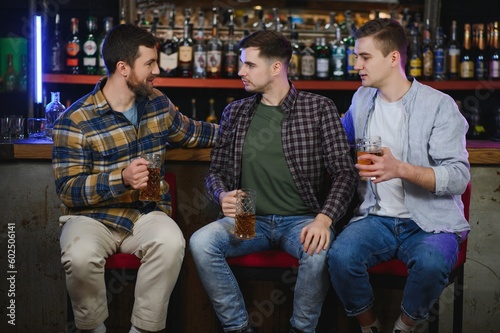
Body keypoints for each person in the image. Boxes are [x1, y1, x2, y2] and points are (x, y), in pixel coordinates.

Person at [52, 24, 218, 333]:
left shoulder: (157, 103)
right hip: (92, 218)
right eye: (150, 64)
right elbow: (68, 190)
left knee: (170, 241)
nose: (158, 70)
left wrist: (242, 129)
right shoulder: (75, 120)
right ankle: (92, 328)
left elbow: (195, 133)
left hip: (146, 214)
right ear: (123, 67)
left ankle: (143, 329)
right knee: (79, 254)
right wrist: (121, 179)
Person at [189, 30, 357, 333]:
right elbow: (216, 171)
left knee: (318, 254)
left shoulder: (318, 108)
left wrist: (324, 219)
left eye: (249, 65)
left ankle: (301, 329)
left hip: (303, 219)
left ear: (276, 67)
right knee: (201, 243)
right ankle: (238, 327)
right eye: (242, 64)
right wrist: (221, 194)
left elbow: (345, 172)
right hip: (247, 218)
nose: (240, 72)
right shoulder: (235, 111)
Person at [327, 18, 470, 333]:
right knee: (340, 256)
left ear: (393, 58)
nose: (356, 65)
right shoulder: (362, 99)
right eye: (356, 57)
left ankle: (405, 326)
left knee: (432, 264)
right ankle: (370, 326)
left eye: (364, 57)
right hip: (375, 218)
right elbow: (337, 138)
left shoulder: (439, 106)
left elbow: (459, 176)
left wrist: (399, 168)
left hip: (429, 224)